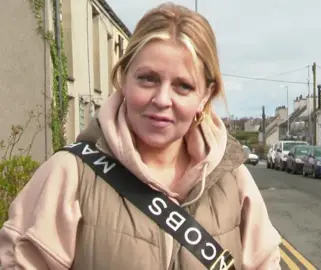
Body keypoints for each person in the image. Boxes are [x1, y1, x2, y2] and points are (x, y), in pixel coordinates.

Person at [0, 3, 281, 269]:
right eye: (148, 78)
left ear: (205, 95)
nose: (162, 99)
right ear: (124, 76)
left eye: (183, 86)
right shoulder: (70, 174)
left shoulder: (234, 181)